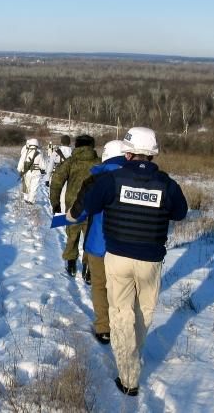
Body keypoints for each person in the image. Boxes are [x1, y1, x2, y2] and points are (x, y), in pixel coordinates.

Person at [67, 127, 187, 396]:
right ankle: (135, 353)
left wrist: (74, 217)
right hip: (151, 262)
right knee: (143, 312)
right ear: (152, 153)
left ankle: (129, 377)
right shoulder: (166, 183)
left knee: (121, 314)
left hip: (118, 257)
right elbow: (180, 213)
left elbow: (86, 207)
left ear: (128, 152)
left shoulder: (112, 180)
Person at [72, 139, 126, 345]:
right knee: (123, 288)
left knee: (100, 285)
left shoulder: (96, 180)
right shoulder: (139, 177)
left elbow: (80, 211)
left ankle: (104, 328)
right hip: (129, 245)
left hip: (99, 242)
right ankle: (123, 327)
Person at [49, 134, 99, 278]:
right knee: (90, 237)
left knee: (72, 236)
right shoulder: (99, 163)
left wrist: (55, 203)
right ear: (92, 146)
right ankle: (88, 267)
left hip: (73, 207)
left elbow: (56, 182)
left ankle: (71, 263)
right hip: (93, 207)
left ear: (77, 146)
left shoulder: (71, 162)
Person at [17, 138, 46, 204]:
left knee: (27, 185)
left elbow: (21, 163)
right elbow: (43, 166)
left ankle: (26, 198)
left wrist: (20, 170)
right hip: (36, 173)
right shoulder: (39, 153)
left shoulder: (25, 152)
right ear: (37, 144)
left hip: (27, 172)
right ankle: (31, 200)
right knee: (34, 187)